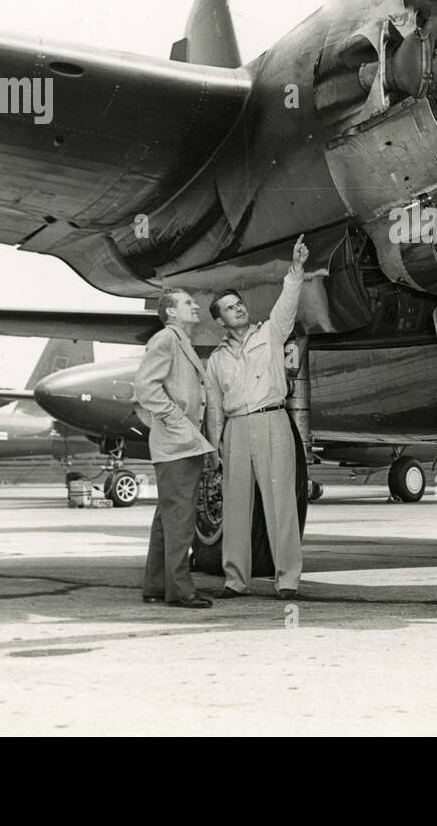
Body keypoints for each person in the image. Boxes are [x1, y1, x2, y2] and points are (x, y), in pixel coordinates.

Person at [206, 235, 307, 600]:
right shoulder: (215, 361)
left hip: (272, 420)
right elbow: (214, 407)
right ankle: (235, 580)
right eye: (230, 308)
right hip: (235, 429)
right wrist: (213, 447)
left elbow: (287, 304)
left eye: (239, 304)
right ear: (219, 320)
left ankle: (287, 580)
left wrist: (295, 270)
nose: (239, 309)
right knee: (235, 508)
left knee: (280, 502)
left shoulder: (271, 332)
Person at [134, 287, 220, 609]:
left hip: (181, 444)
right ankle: (181, 591)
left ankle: (156, 586)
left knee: (167, 520)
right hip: (176, 444)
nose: (195, 305)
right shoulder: (166, 339)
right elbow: (146, 389)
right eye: (187, 303)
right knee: (180, 522)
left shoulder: (181, 341)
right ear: (170, 311)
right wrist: (175, 417)